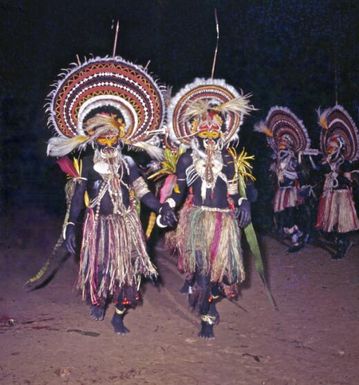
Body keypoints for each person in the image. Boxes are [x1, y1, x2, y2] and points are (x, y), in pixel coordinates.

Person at [46, 56, 175, 334]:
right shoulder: (88, 166)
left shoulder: (128, 164)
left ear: (120, 135)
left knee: (128, 272)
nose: (107, 139)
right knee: (101, 269)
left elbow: (142, 193)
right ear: (92, 136)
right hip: (98, 226)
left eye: (111, 134)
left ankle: (119, 314)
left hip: (125, 224)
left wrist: (161, 206)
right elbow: (78, 200)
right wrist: (69, 226)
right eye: (101, 134)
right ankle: (98, 301)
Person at [157, 78, 255, 338]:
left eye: (215, 133)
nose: (210, 138)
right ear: (195, 133)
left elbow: (234, 191)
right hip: (198, 220)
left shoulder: (228, 160)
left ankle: (208, 302)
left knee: (218, 275)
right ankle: (206, 318)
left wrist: (244, 203)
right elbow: (178, 191)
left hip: (224, 223)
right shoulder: (187, 159)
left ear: (222, 133)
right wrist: (167, 205)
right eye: (205, 132)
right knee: (201, 273)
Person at [255, 107, 315, 252]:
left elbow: (298, 173)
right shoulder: (276, 158)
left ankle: (297, 238)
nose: (281, 144)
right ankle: (297, 233)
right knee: (281, 216)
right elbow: (272, 172)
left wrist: (296, 164)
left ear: (288, 144)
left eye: (284, 142)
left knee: (289, 216)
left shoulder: (292, 158)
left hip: (291, 192)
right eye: (280, 142)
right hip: (281, 192)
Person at [316, 105, 359, 259]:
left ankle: (343, 244)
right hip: (331, 193)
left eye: (333, 147)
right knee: (331, 221)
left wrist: (336, 175)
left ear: (338, 148)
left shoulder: (344, 162)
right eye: (329, 147)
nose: (330, 149)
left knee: (342, 222)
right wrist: (326, 165)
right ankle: (340, 242)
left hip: (342, 194)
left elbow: (348, 181)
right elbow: (320, 171)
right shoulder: (327, 161)